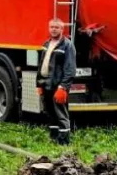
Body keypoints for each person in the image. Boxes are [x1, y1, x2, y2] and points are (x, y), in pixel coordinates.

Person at [36, 17, 76, 145]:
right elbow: (41, 65)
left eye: (56, 27)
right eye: (51, 27)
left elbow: (70, 69)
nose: (53, 30)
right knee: (51, 113)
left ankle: (64, 142)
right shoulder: (46, 44)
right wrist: (39, 84)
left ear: (62, 29)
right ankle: (54, 138)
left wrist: (63, 87)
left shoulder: (67, 45)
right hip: (46, 84)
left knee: (61, 114)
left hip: (58, 86)